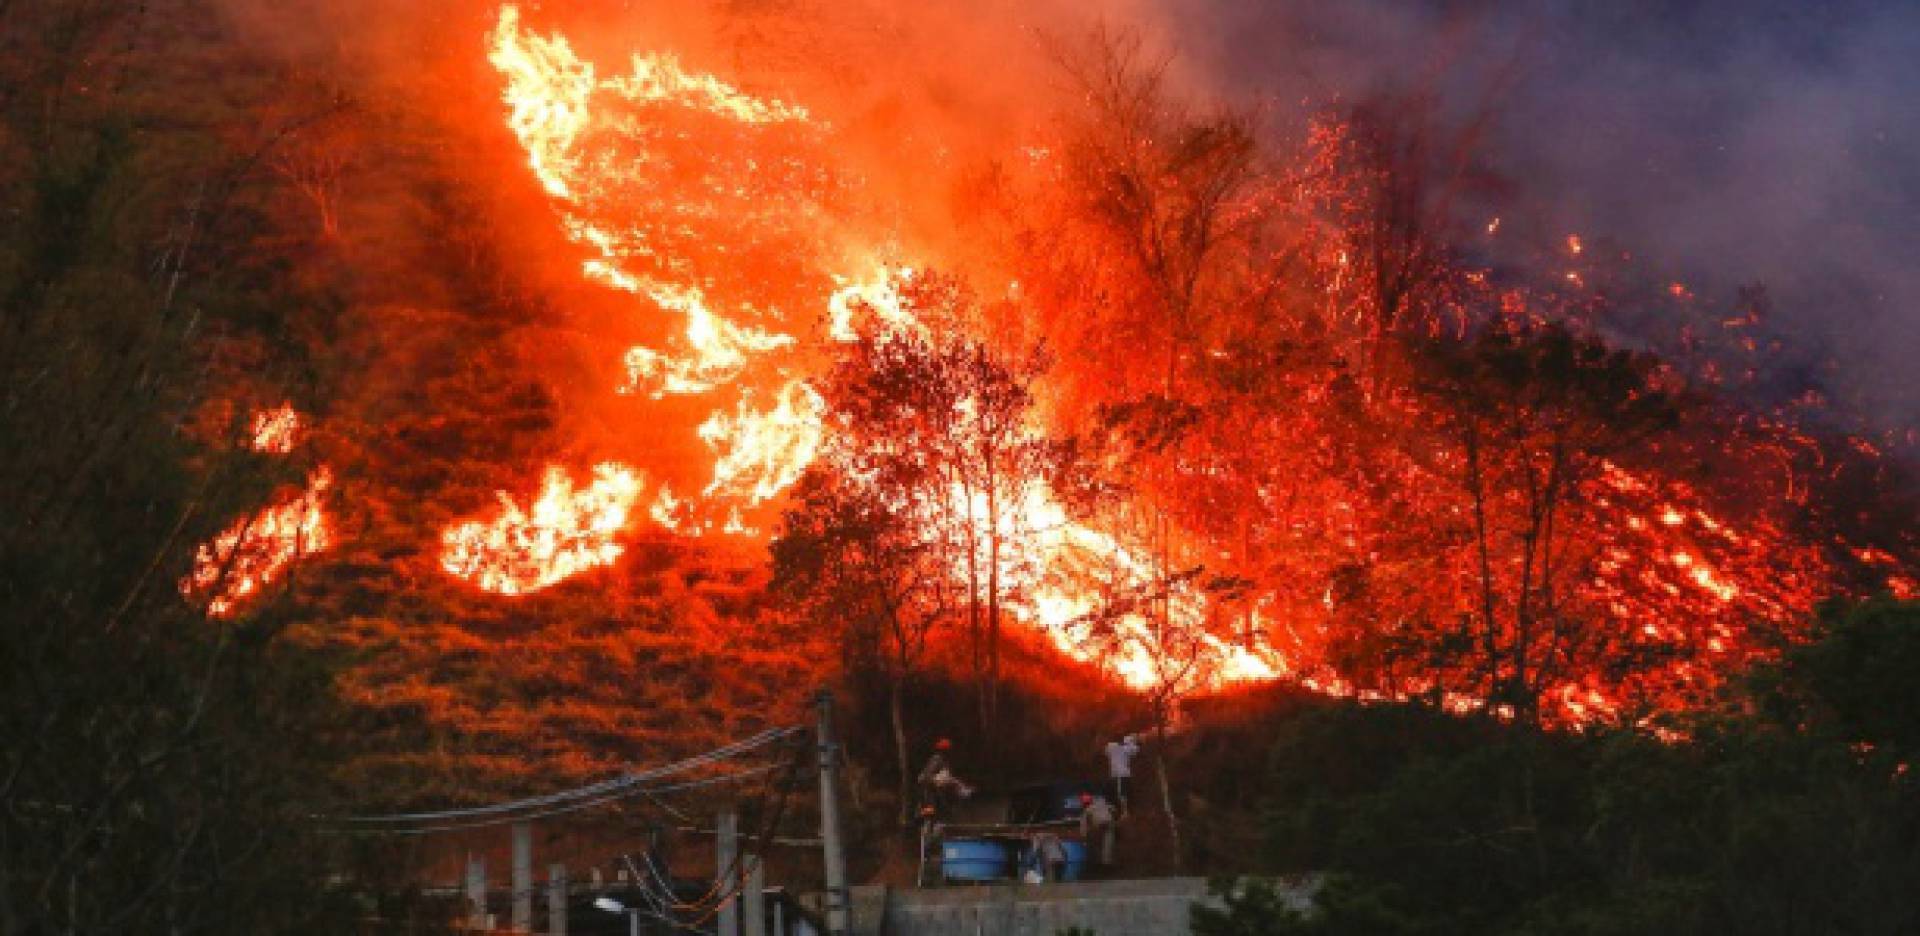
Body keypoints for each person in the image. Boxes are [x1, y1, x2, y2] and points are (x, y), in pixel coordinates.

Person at [917, 738, 973, 812]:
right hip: (928, 784)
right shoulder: (937, 759)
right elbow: (928, 774)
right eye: (949, 749)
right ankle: (923, 819)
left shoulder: (944, 760)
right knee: (930, 805)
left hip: (935, 785)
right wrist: (935, 781)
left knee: (937, 804)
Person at [1104, 734, 1140, 814]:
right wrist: (1132, 740)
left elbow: (1106, 751)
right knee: (1122, 793)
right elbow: (1135, 750)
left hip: (1119, 775)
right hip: (1121, 774)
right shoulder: (1122, 748)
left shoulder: (1113, 747)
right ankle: (1124, 812)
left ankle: (1124, 812)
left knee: (1121, 793)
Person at [1078, 793, 1116, 868]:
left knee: (1101, 842)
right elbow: (1113, 809)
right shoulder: (1102, 804)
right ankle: (1106, 861)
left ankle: (1103, 862)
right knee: (1107, 841)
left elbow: (1084, 824)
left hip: (1101, 824)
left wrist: (1084, 836)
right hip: (1108, 823)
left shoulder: (1088, 809)